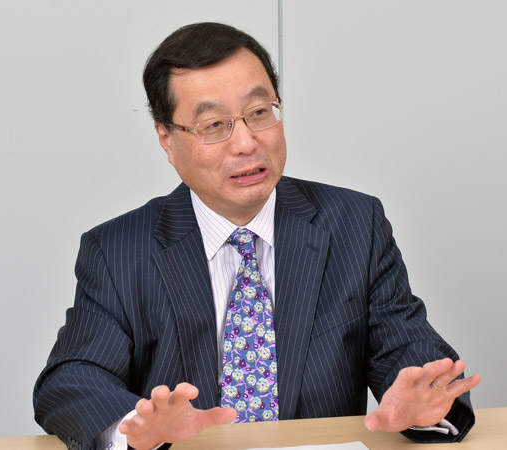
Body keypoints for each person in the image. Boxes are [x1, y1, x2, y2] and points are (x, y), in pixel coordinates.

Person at [33, 22, 481, 450]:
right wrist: (135, 426)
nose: (246, 143)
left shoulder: (354, 223)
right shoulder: (117, 251)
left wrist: (423, 400)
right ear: (166, 139)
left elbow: (407, 348)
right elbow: (73, 377)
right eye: (214, 125)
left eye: (259, 113)